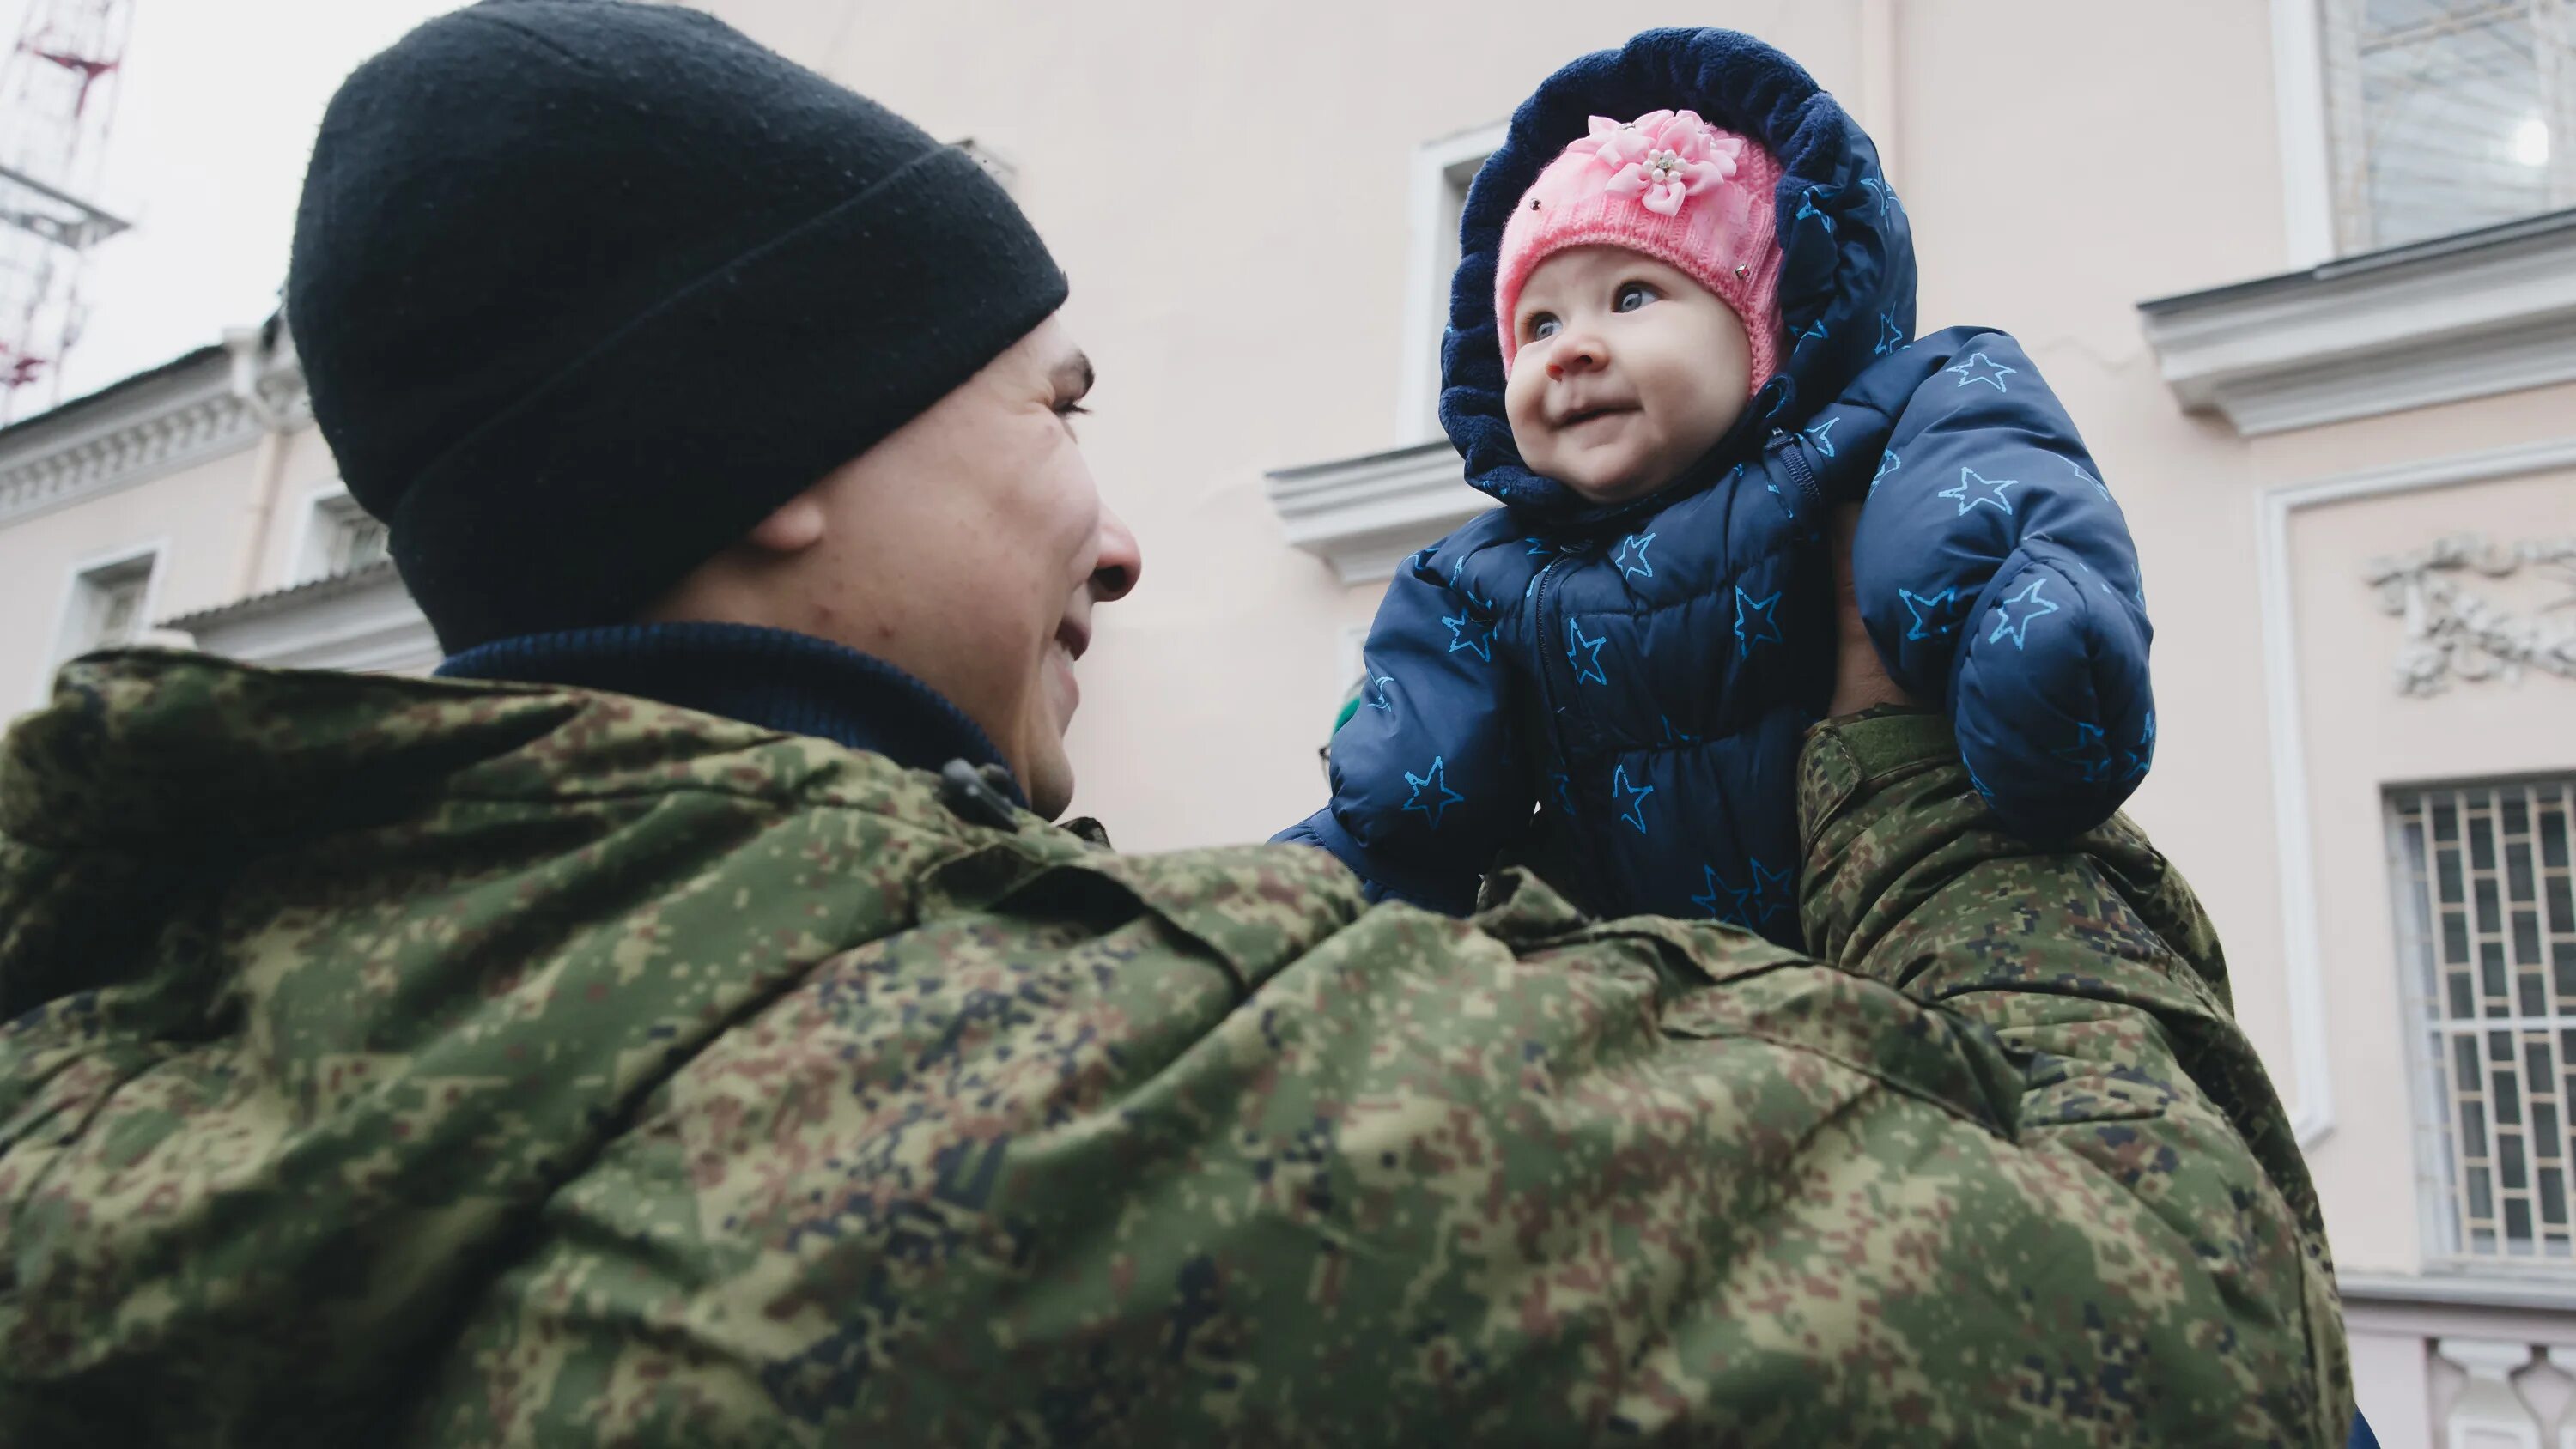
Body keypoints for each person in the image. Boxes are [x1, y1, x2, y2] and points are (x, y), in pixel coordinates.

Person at [0, 3, 2351, 1444]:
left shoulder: (154, 1038)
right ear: (781, 464)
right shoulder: (1113, 1107)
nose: (1122, 545)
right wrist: (1928, 785)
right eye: (1059, 408)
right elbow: (2185, 1335)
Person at [1281, 31, 2154, 936]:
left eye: (1631, 298)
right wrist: (1322, 848)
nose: (1571, 349)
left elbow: (1994, 497)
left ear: (1764, 329)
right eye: (1538, 324)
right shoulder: (1481, 574)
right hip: (1657, 1005)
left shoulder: (1878, 425)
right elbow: (1407, 817)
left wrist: (2031, 642)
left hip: (1895, 921)